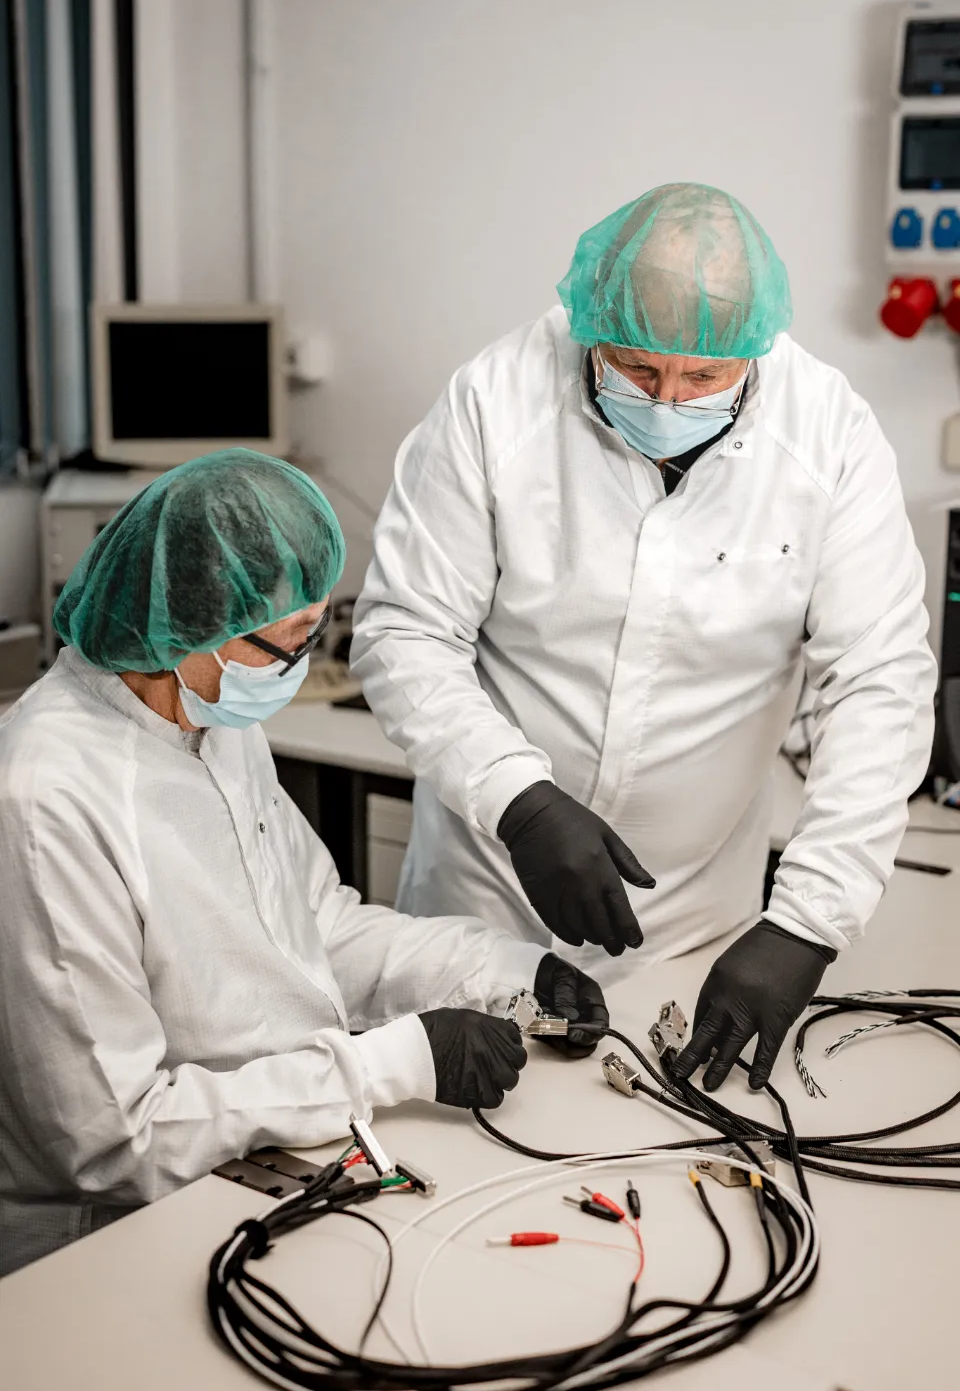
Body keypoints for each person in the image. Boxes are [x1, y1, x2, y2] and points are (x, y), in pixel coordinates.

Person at [351, 182, 937, 1098]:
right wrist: (519, 799)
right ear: (591, 327)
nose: (668, 400)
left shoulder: (828, 435)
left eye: (705, 378)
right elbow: (403, 631)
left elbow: (879, 680)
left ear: (756, 349)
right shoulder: (495, 401)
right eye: (635, 369)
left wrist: (806, 923)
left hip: (698, 918)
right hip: (490, 886)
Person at [0, 449, 608, 1277]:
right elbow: (108, 1138)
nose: (300, 665)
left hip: (270, 1159)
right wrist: (391, 1063)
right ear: (194, 624)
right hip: (112, 1241)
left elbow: (314, 923)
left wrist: (504, 970)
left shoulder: (211, 714)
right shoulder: (48, 799)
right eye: (288, 644)